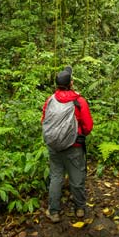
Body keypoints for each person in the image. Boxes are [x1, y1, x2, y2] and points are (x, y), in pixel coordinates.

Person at [41, 66, 93, 223]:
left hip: (54, 147)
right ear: (71, 83)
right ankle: (79, 209)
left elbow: (44, 120)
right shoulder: (79, 101)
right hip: (74, 147)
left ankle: (54, 212)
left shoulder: (50, 100)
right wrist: (79, 133)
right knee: (76, 178)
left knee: (56, 177)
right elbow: (88, 126)